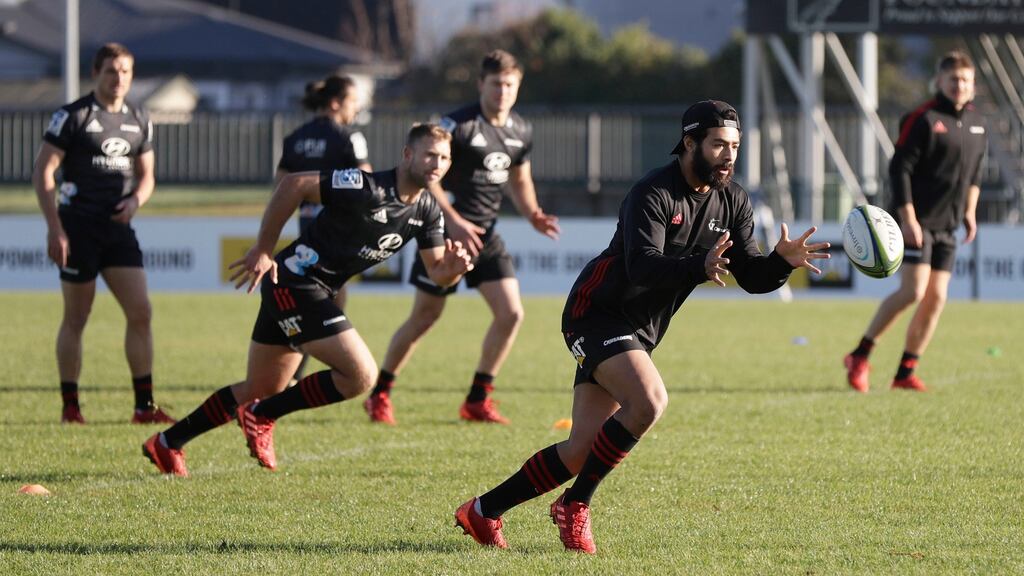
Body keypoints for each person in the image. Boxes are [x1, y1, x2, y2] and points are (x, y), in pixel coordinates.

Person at [453, 100, 830, 553]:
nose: (729, 155)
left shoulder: (733, 200)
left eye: (735, 146)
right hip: (594, 313)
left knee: (580, 450)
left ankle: (483, 510)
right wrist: (698, 265)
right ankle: (575, 505)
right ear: (689, 143)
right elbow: (641, 266)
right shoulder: (653, 193)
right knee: (650, 400)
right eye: (718, 145)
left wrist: (780, 263)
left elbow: (750, 277)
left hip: (639, 329)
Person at [142, 124, 472, 477]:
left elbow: (437, 272)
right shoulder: (367, 186)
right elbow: (293, 184)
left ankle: (167, 442)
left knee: (263, 387)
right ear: (408, 155)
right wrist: (264, 249)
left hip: (304, 288)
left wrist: (452, 270)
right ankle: (262, 414)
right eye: (429, 154)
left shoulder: (428, 211)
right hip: (296, 283)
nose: (437, 163)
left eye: (444, 158)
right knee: (360, 375)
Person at [364, 49, 560, 425]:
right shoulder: (457, 126)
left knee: (511, 313)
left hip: (485, 234)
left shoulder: (521, 130)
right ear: (481, 85)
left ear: (517, 87)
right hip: (441, 230)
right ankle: (380, 393)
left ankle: (477, 400)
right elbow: (427, 176)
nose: (502, 91)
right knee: (425, 316)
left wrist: (532, 213)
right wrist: (451, 219)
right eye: (495, 84)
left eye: (509, 84)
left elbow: (520, 179)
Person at [32, 43, 175, 425]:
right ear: (96, 73)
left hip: (118, 228)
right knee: (77, 317)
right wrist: (55, 229)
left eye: (125, 71)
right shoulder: (73, 116)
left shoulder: (139, 117)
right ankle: (70, 407)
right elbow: (44, 173)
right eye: (112, 71)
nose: (119, 79)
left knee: (141, 312)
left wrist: (135, 202)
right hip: (77, 227)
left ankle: (144, 407)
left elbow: (147, 178)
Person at [844, 51, 985, 393]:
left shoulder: (978, 124)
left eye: (965, 80)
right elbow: (899, 169)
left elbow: (975, 174)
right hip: (915, 221)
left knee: (936, 298)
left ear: (973, 86)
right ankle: (860, 355)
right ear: (940, 82)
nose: (959, 86)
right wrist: (907, 217)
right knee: (913, 291)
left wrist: (970, 211)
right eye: (953, 80)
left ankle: (905, 372)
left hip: (947, 225)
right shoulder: (923, 118)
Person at [278, 74, 373, 383]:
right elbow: (366, 185)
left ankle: (294, 368)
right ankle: (299, 369)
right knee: (330, 304)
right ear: (335, 103)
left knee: (319, 302)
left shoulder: (294, 137)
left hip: (307, 232)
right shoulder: (349, 138)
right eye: (352, 102)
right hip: (335, 234)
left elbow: (280, 186)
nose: (356, 109)